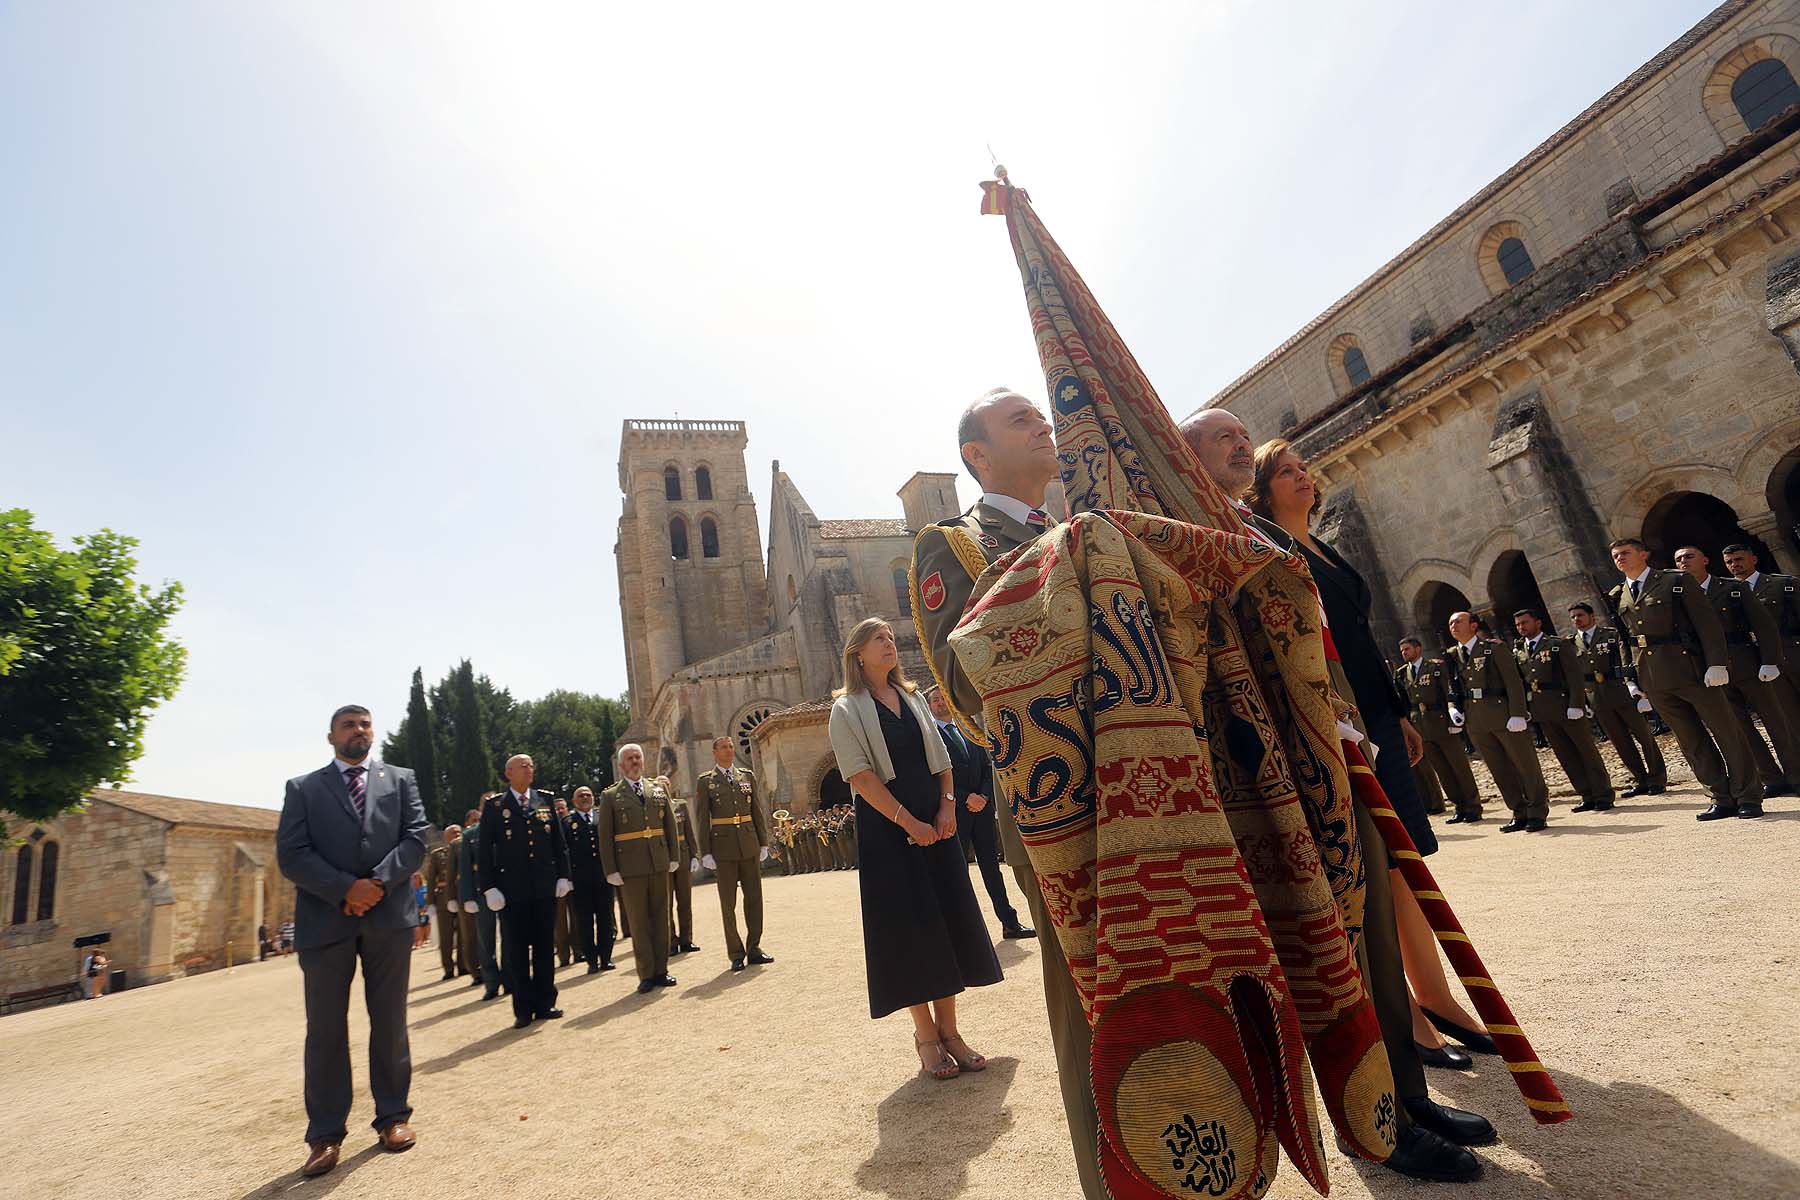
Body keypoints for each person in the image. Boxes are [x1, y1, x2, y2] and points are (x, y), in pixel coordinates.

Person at [1186, 411, 1489, 1181]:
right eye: (1217, 436)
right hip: (1276, 771)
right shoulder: (1194, 535)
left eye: (1237, 433)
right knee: (1334, 943)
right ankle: (1373, 1122)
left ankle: (1408, 1095)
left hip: (1336, 745)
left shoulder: (1269, 539)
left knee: (1375, 928)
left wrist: (1355, 719)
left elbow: (1319, 643)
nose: (1236, 443)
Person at [911, 387, 1103, 1190]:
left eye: (1042, 416)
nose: (1043, 425)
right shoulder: (952, 546)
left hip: (1153, 779)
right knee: (1090, 1003)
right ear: (977, 457)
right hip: (1055, 787)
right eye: (1021, 419)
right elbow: (959, 680)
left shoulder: (1079, 529)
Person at [827, 617, 1002, 1081]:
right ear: (857, 654)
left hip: (937, 825)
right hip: (889, 832)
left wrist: (946, 812)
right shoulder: (845, 709)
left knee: (946, 920)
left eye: (890, 637)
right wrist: (909, 822)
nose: (889, 644)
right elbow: (861, 777)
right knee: (910, 932)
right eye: (878, 639)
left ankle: (952, 1032)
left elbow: (942, 762)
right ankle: (926, 1037)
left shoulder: (914, 698)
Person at [1246, 438, 1438, 855]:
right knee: (1382, 849)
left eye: (1302, 467)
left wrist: (1397, 711)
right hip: (1343, 714)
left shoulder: (1326, 549)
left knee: (1408, 844)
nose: (1302, 475)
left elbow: (1363, 639)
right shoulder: (1276, 554)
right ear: (1261, 493)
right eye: (1285, 472)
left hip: (1377, 710)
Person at [276, 703, 427, 1177]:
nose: (357, 731)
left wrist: (376, 884)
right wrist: (346, 889)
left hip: (389, 918)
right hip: (326, 922)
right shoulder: (302, 789)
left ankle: (393, 1117)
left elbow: (417, 838)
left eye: (364, 724)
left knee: (390, 1021)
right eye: (348, 725)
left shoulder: (401, 779)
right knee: (324, 1031)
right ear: (331, 737)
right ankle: (324, 1135)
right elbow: (292, 854)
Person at [1609, 537, 1759, 819]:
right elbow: (1625, 639)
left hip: (1691, 670)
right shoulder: (1619, 593)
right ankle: (1719, 796)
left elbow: (1707, 623)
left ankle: (1748, 795)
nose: (1619, 558)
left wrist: (1716, 663)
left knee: (1727, 733)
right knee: (1691, 741)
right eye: (1615, 555)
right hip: (1654, 679)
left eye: (1625, 553)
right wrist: (1632, 678)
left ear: (1644, 554)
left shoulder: (1674, 581)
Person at [1675, 545, 1798, 798]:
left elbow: (1763, 626)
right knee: (1741, 728)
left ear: (1705, 560)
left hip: (1747, 662)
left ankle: (1796, 774)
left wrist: (1770, 660)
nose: (1683, 562)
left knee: (1777, 722)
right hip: (1714, 671)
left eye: (1689, 557)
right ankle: (1771, 778)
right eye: (1678, 560)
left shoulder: (1732, 588)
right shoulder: (1679, 595)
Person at [925, 684, 1033, 940]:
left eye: (943, 698)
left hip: (981, 811)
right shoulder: (930, 737)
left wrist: (984, 796)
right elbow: (936, 774)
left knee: (991, 868)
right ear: (929, 707)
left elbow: (987, 766)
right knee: (958, 871)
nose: (940, 702)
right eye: (935, 700)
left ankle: (1010, 923)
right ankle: (965, 932)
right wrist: (966, 798)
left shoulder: (969, 730)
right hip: (955, 813)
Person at [479, 754, 573, 1029]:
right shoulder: (496, 806)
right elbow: (485, 851)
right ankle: (523, 1008)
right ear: (508, 773)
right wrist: (489, 887)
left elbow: (559, 842)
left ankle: (546, 1002)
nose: (529, 769)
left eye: (532, 765)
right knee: (517, 951)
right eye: (523, 766)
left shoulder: (543, 799)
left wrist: (564, 875)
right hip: (512, 891)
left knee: (545, 947)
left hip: (544, 887)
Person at [1446, 610, 1548, 832]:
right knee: (1499, 768)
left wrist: (1518, 713)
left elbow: (1513, 682)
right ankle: (1518, 811)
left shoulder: (1493, 648)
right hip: (1476, 720)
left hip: (1503, 714)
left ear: (1474, 626)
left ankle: (1537, 811)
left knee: (1525, 764)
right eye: (1451, 623)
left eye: (1459, 621)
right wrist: (1454, 708)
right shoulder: (1453, 655)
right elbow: (1454, 687)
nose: (1453, 626)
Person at [1511, 609, 1618, 814]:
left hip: (1564, 705)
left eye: (1525, 622)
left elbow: (1574, 676)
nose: (1521, 627)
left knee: (1586, 751)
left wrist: (1576, 703)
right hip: (1542, 710)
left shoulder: (1556, 645)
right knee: (1565, 755)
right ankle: (1586, 794)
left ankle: (1603, 794)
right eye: (1518, 624)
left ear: (1538, 623)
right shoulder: (1519, 650)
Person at [598, 744, 682, 994]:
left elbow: (669, 823)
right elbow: (605, 836)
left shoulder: (657, 789)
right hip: (631, 867)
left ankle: (662, 970)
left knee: (661, 918)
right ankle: (646, 973)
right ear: (622, 765)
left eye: (638, 758)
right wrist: (610, 869)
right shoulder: (611, 796)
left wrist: (673, 856)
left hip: (658, 861)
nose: (635, 762)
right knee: (638, 922)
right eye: (629, 759)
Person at [1568, 602, 1667, 797]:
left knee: (1644, 737)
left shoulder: (1610, 635)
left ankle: (1656, 778)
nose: (1576, 620)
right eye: (1573, 617)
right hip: (1597, 697)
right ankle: (1640, 779)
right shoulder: (1571, 644)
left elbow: (1626, 661)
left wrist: (1637, 689)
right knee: (1620, 742)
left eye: (1580, 615)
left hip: (1620, 692)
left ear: (1592, 616)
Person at [694, 737, 774, 972]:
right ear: (714, 752)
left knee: (754, 900)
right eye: (724, 747)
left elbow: (756, 810)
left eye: (731, 747)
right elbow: (701, 819)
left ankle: (754, 948)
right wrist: (705, 851)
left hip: (748, 844)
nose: (729, 751)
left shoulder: (746, 776)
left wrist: (763, 842)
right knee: (728, 904)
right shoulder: (706, 782)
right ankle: (736, 953)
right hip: (723, 849)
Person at [1395, 636, 1483, 823]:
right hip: (1421, 727)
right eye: (1402, 650)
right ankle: (1459, 806)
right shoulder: (1402, 674)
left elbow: (1447, 692)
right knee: (1442, 770)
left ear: (1418, 649)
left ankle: (1473, 806)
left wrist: (1452, 719)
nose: (1404, 653)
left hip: (1441, 723)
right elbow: (1404, 703)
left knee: (1459, 767)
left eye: (1407, 649)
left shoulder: (1435, 667)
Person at [1725, 543, 1800, 734]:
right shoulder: (1725, 593)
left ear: (1754, 559)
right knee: (1789, 718)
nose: (1734, 565)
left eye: (1739, 559)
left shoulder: (1782, 584)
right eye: (1729, 562)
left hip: (1793, 653)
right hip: (1762, 662)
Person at [563, 785, 617, 974]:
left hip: (603, 877)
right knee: (584, 922)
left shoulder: (602, 817)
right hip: (580, 881)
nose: (585, 798)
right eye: (580, 796)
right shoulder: (568, 822)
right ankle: (592, 960)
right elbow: (564, 852)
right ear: (574, 800)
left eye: (588, 794)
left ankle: (606, 958)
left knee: (606, 918)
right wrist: (567, 877)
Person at [459, 802, 502, 998]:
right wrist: (467, 897)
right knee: (486, 940)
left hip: (506, 889)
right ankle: (491, 983)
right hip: (481, 892)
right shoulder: (470, 835)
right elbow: (466, 868)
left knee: (510, 938)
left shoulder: (504, 826)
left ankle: (510, 979)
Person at [659, 775, 701, 956]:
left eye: (666, 784)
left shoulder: (680, 805)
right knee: (666, 904)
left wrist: (694, 855)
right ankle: (670, 941)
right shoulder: (653, 809)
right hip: (665, 859)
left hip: (683, 857)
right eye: (660, 785)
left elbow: (689, 831)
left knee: (685, 901)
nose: (664, 787)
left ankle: (686, 939)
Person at [421, 834, 456, 978]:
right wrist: (430, 902)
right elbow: (430, 880)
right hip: (442, 898)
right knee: (445, 934)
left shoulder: (463, 849)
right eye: (452, 833)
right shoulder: (438, 855)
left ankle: (464, 965)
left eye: (458, 832)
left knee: (467, 935)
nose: (456, 835)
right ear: (446, 837)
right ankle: (448, 968)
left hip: (461, 894)